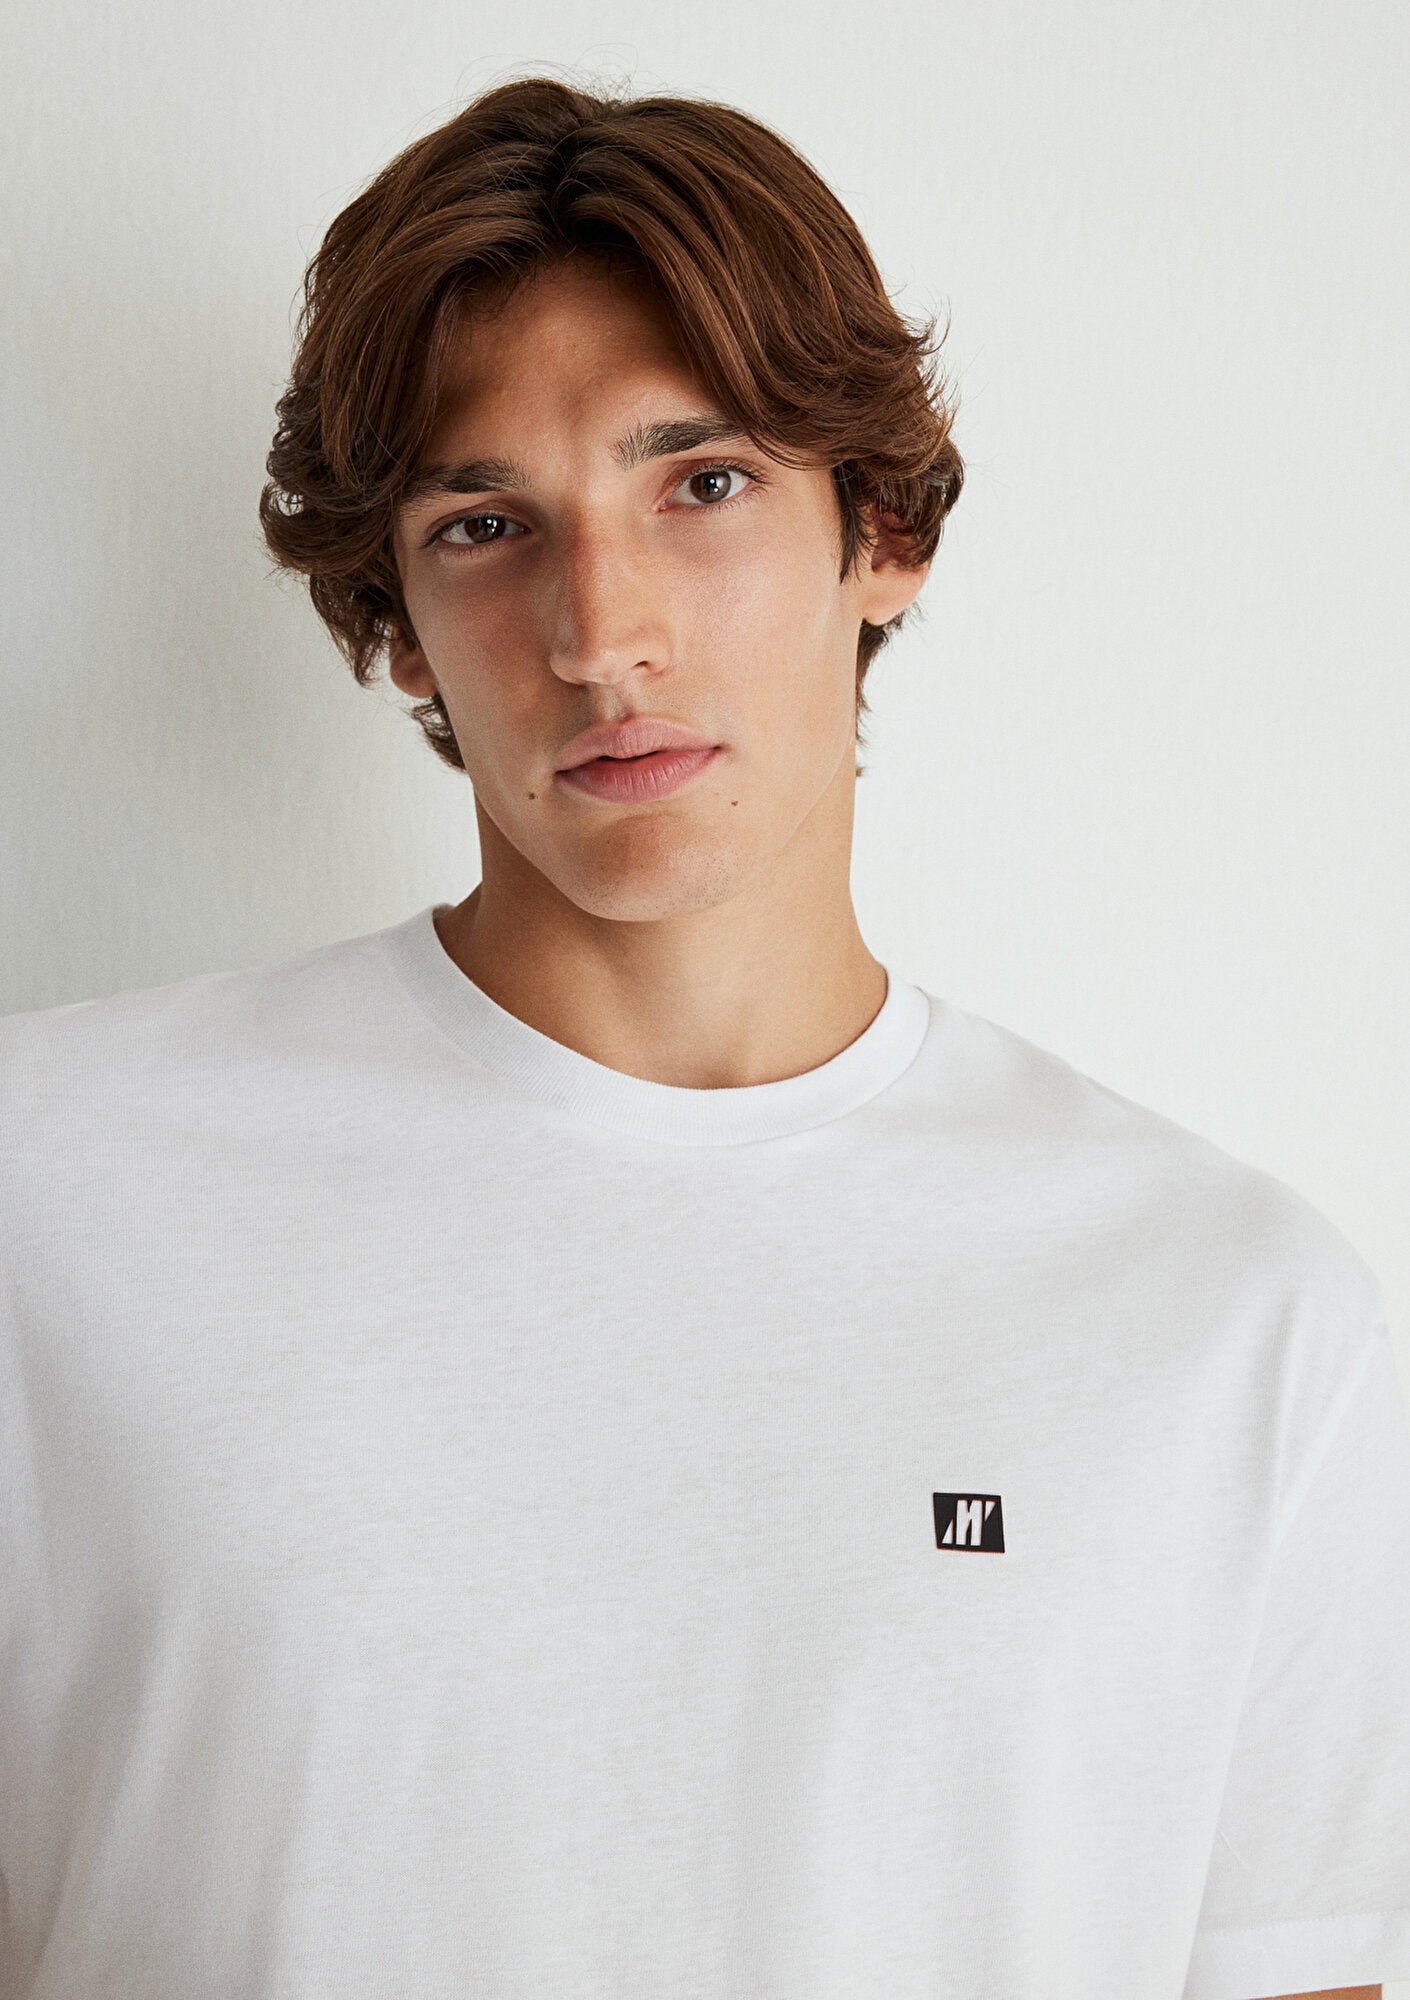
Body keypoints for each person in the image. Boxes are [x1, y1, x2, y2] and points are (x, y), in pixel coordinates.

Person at [0, 74, 1404, 2000]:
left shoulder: (1227, 1313)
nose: (602, 632)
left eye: (705, 484)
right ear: (395, 621)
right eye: (485, 523)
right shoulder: (51, 1195)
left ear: (882, 528)